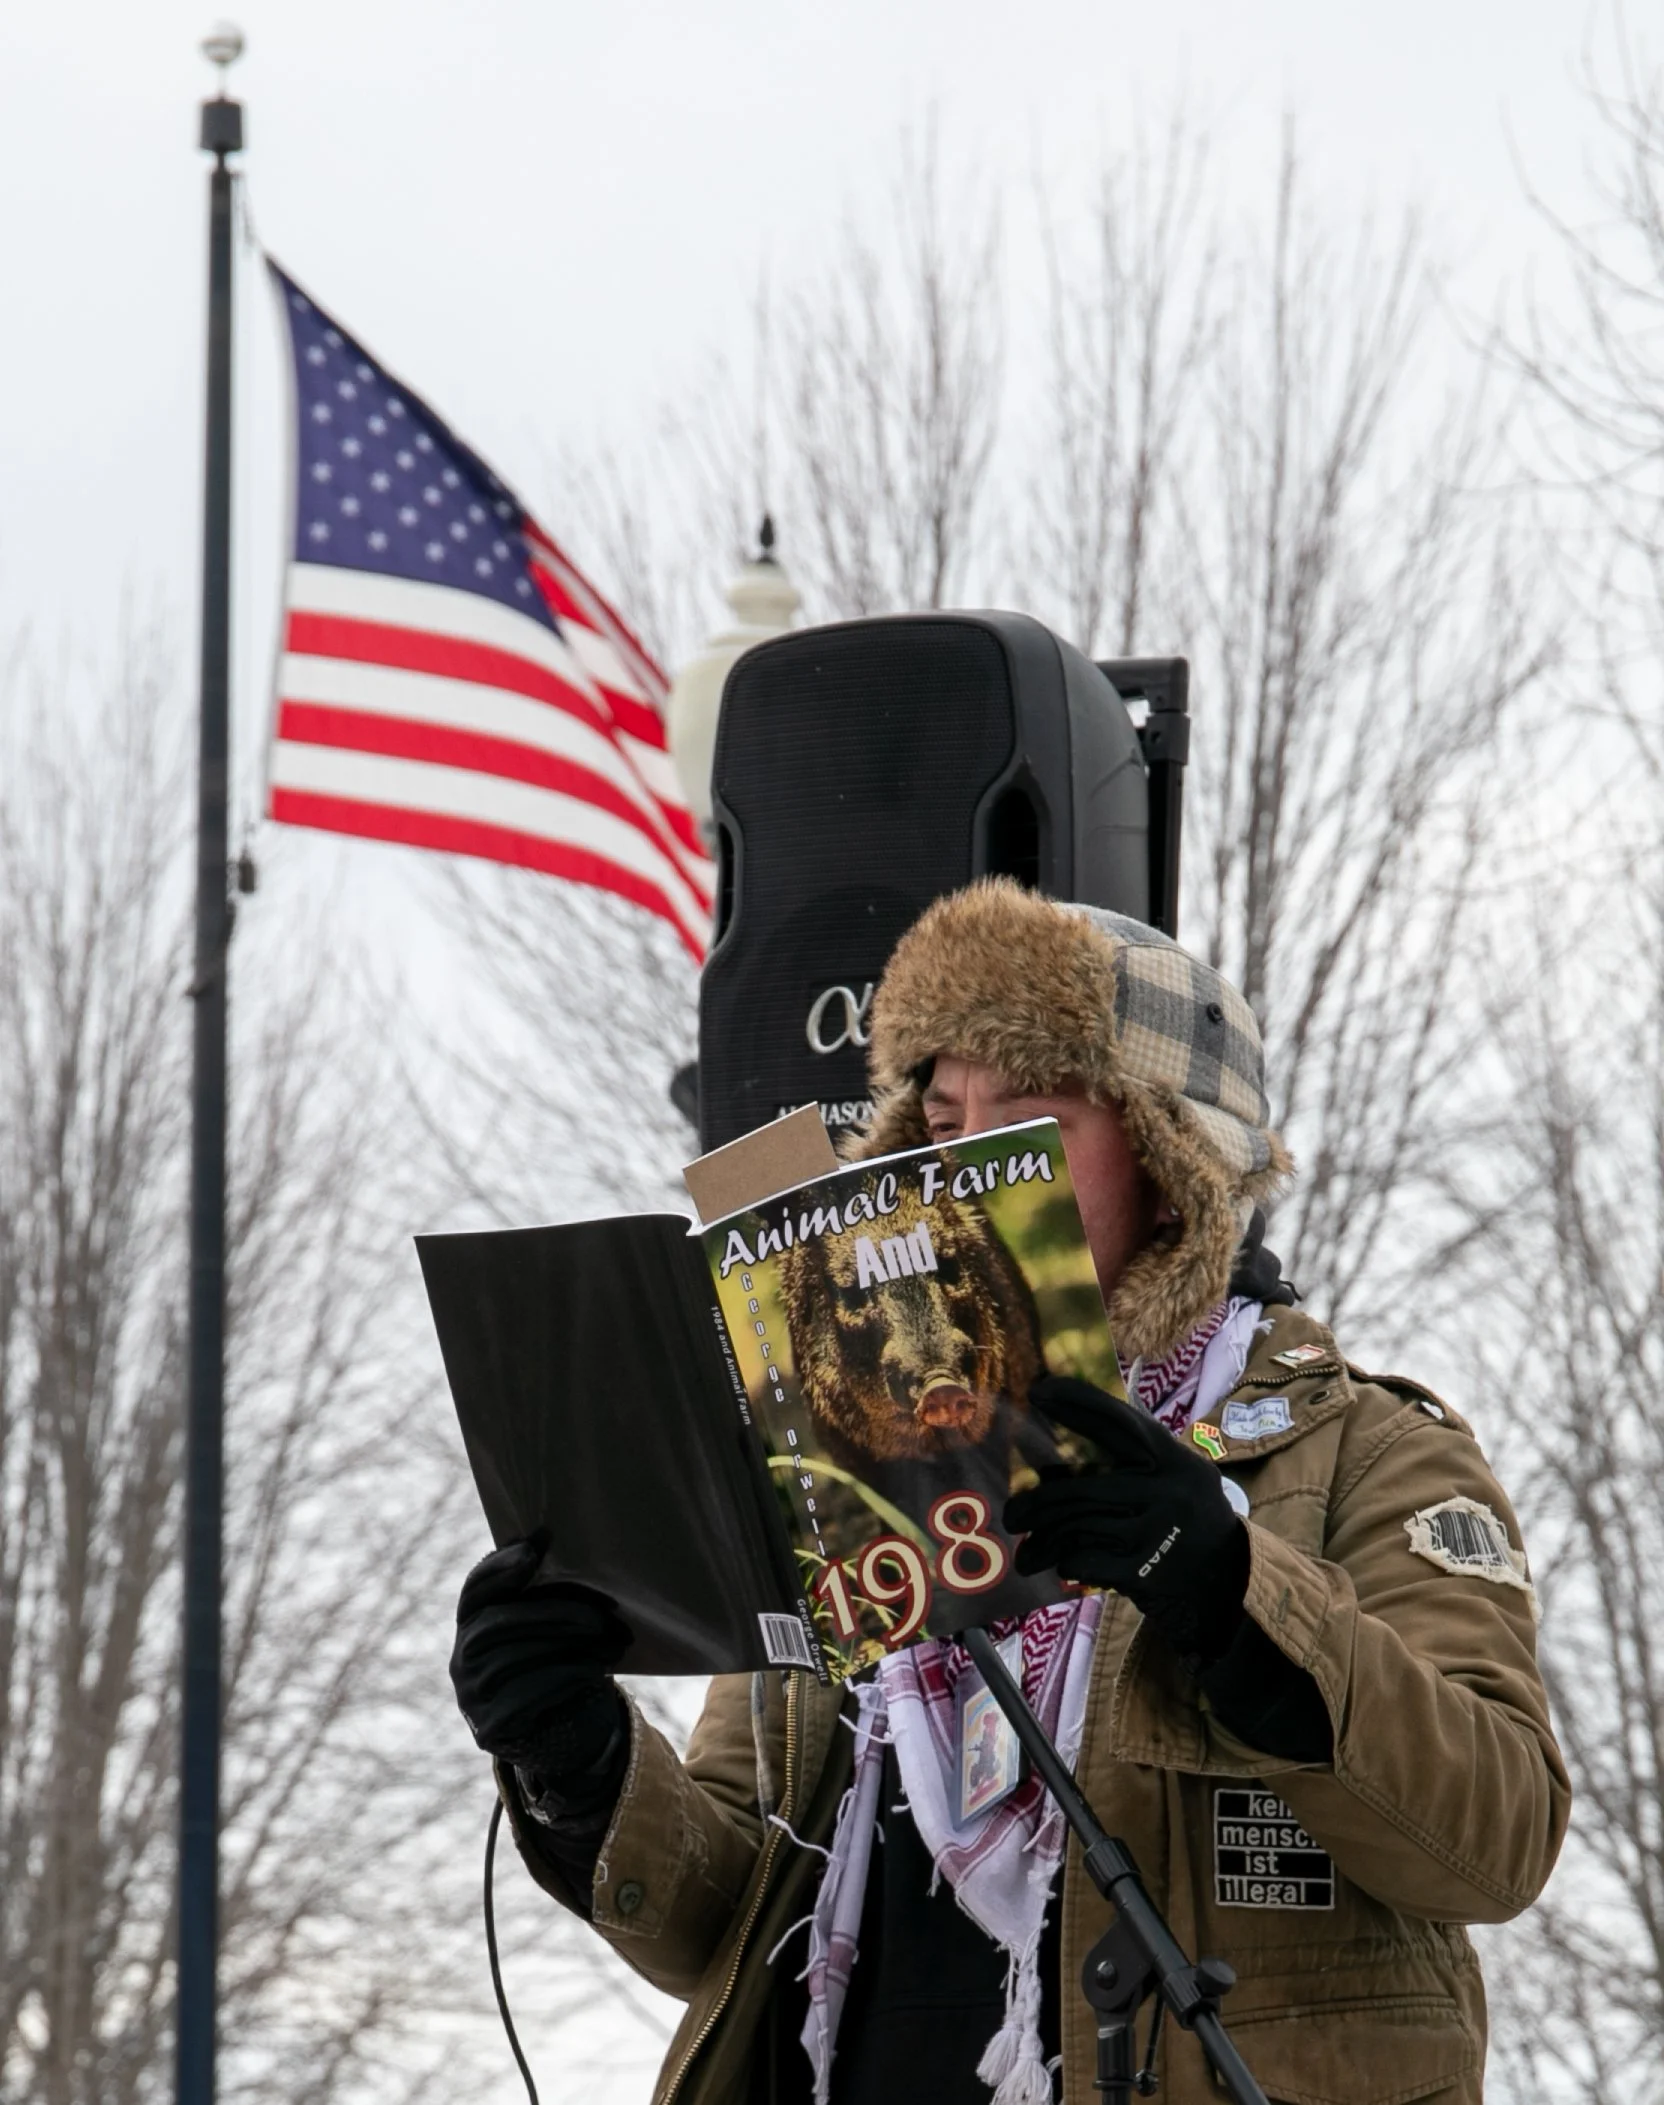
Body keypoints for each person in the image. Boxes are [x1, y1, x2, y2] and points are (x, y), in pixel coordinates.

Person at [450, 880, 1569, 2105]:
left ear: (1170, 1160)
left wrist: (1227, 1587)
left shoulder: (1359, 1451)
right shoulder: (833, 1466)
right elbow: (721, 1913)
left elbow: (1497, 1836)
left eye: (1023, 1121)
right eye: (938, 1122)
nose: (962, 1167)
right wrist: (576, 1751)